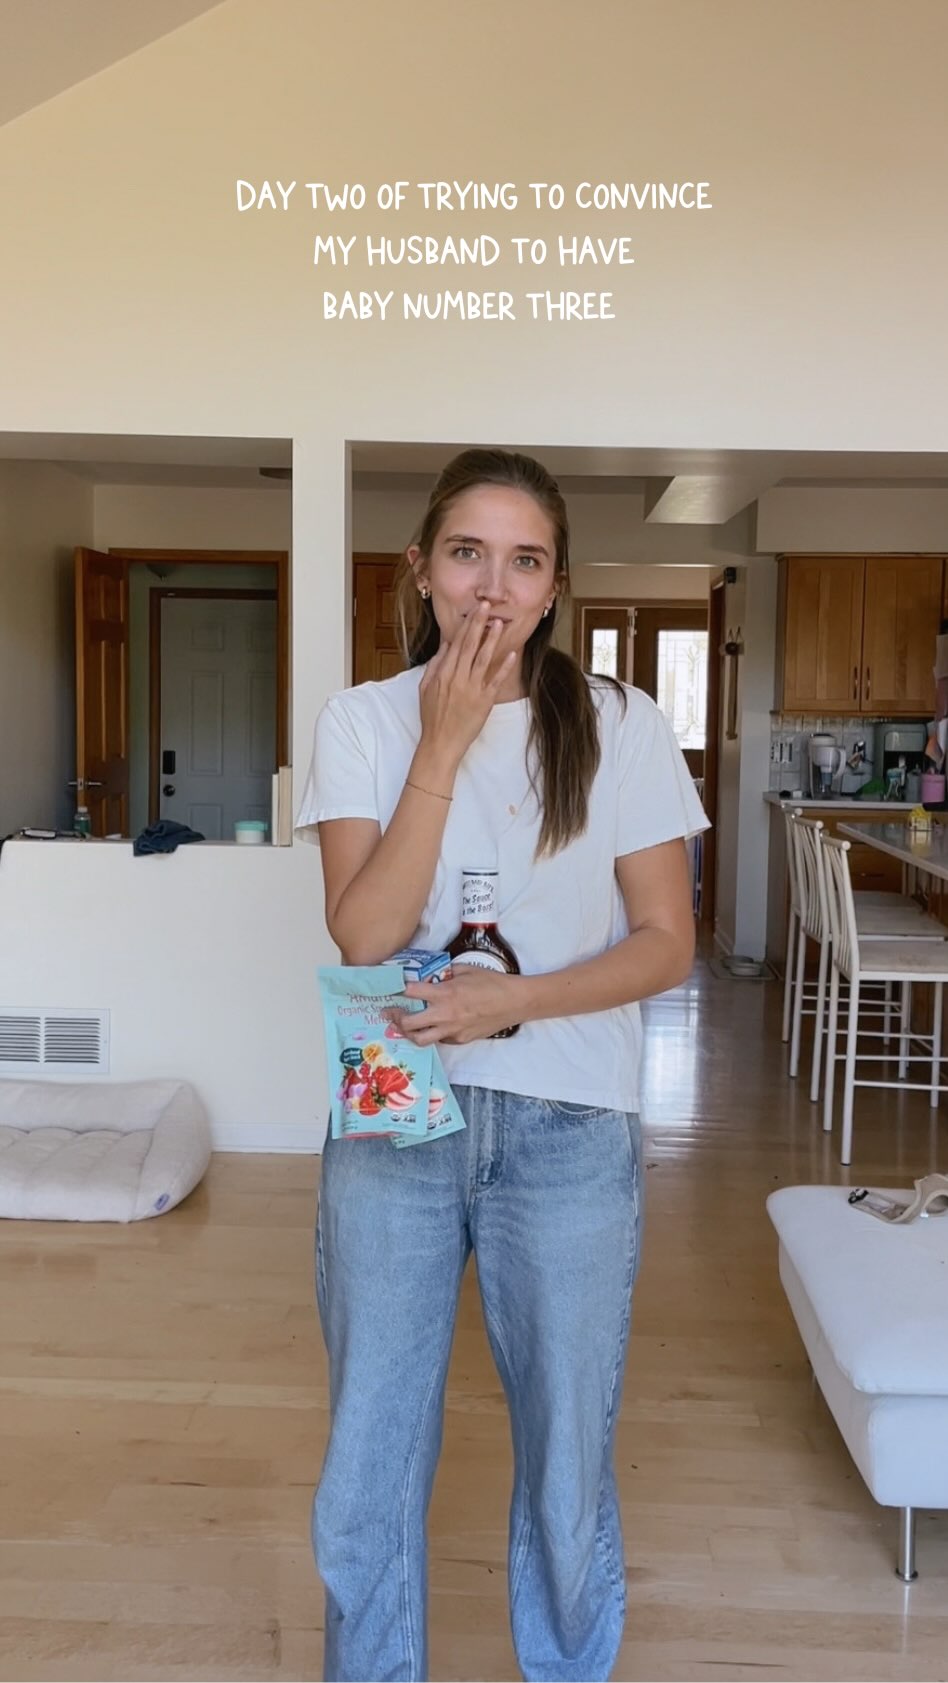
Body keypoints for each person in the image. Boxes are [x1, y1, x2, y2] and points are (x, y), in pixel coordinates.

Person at [295, 447, 708, 1682]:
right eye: (467, 553)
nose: (493, 585)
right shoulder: (364, 720)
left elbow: (668, 942)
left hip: (568, 1128)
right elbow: (366, 936)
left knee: (568, 1457)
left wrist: (510, 1001)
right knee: (372, 1448)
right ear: (421, 568)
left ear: (554, 586)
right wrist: (444, 743)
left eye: (524, 561)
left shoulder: (623, 726)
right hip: (394, 1122)